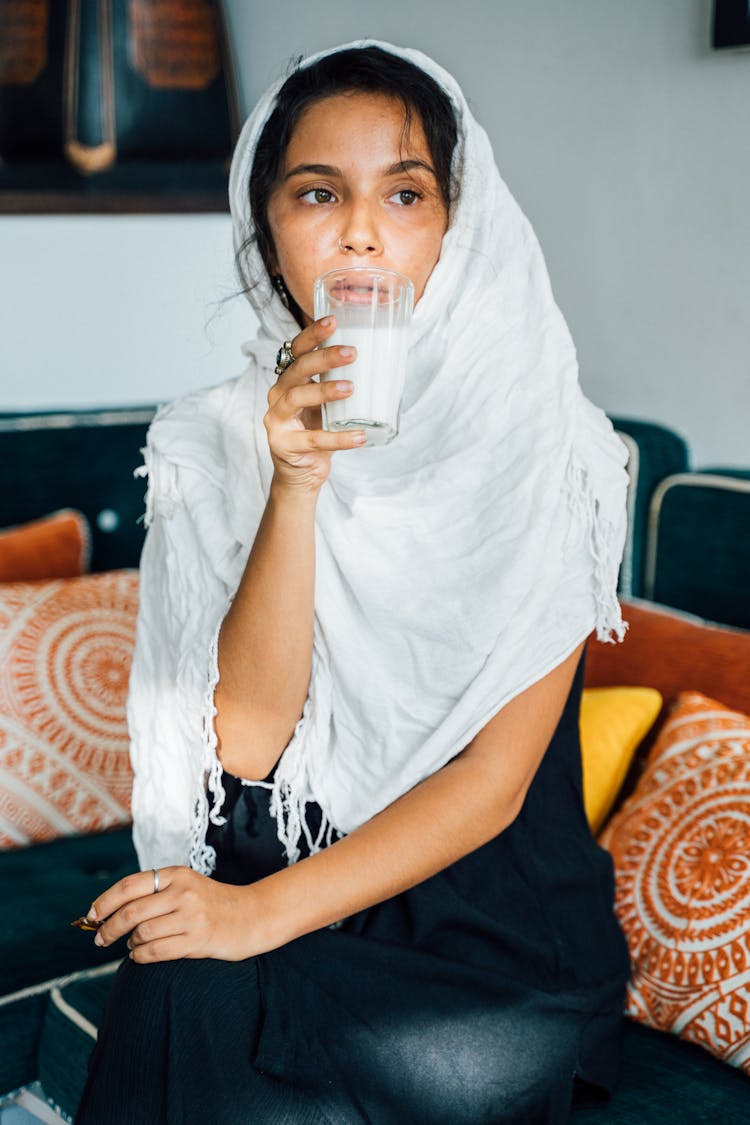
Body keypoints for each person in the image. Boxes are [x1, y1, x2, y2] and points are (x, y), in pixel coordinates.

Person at [75, 40, 632, 1125]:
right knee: (179, 968)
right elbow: (241, 749)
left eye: (407, 193)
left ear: (454, 225)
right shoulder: (210, 441)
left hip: (491, 941)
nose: (363, 230)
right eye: (318, 192)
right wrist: (292, 485)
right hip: (295, 873)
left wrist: (256, 917)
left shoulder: (558, 449)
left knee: (207, 990)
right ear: (267, 227)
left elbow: (494, 784)